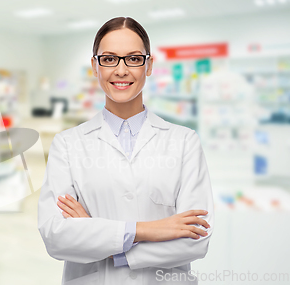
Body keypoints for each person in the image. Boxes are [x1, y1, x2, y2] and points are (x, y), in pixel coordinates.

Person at [37, 16, 214, 285]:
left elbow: (196, 239)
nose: (121, 70)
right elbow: (56, 236)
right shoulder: (68, 144)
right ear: (95, 66)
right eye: (109, 59)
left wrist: (106, 246)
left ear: (149, 65)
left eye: (133, 59)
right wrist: (150, 229)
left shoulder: (184, 141)